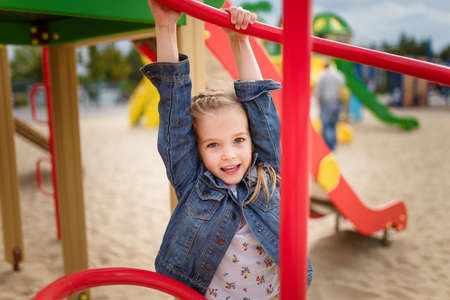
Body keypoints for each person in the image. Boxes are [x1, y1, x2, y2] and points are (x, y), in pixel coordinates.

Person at [141, 1, 312, 299]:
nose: (229, 155)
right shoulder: (193, 183)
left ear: (252, 139)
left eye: (238, 140)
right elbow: (174, 112)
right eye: (213, 145)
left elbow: (260, 107)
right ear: (197, 149)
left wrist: (239, 39)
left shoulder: (266, 174)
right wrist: (165, 27)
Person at [314, 58, 346, 151]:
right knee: (333, 124)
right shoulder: (338, 74)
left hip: (327, 102)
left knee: (326, 125)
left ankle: (328, 147)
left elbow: (318, 91)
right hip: (337, 101)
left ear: (324, 66)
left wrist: (317, 101)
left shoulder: (323, 75)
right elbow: (342, 86)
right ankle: (333, 144)